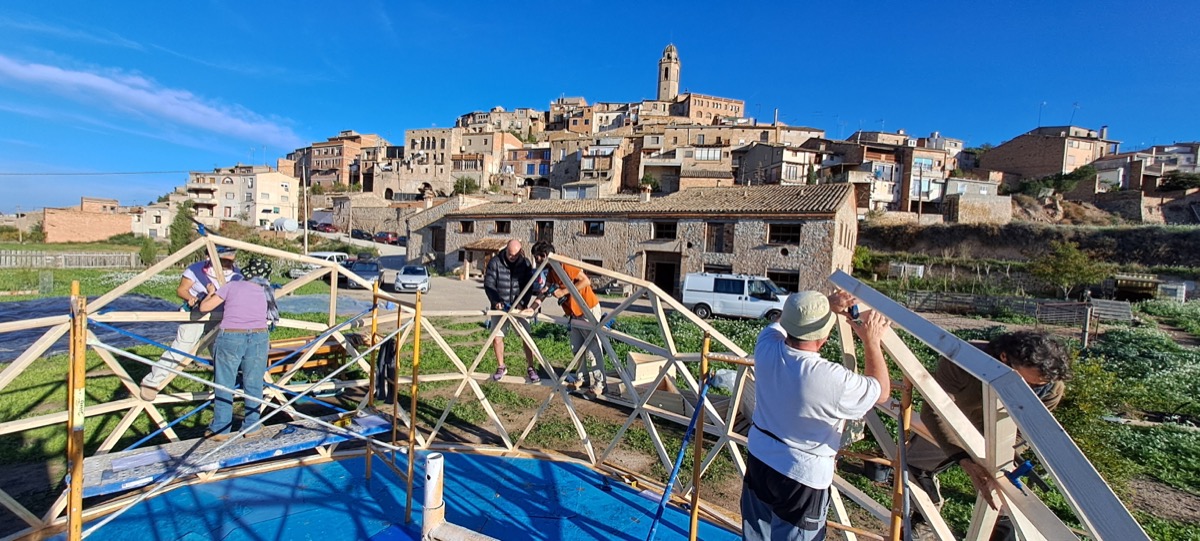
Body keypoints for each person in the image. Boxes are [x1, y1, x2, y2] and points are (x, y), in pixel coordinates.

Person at [741, 290, 891, 541]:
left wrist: (823, 305)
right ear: (825, 336)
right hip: (802, 477)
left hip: (760, 460)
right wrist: (871, 342)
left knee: (756, 535)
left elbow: (777, 325)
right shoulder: (830, 378)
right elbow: (882, 392)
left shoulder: (766, 345)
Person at [906, 331, 1071, 540]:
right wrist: (963, 459)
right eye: (1028, 382)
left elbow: (1026, 429)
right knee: (915, 465)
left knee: (1001, 495)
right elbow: (934, 411)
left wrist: (1003, 456)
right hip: (953, 423)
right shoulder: (962, 359)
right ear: (1005, 358)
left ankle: (1001, 529)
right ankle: (925, 515)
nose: (1032, 389)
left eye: (1038, 386)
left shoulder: (1051, 388)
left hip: (1000, 435)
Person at [140, 247, 241, 401]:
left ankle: (226, 386)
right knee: (181, 348)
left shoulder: (237, 274)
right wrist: (190, 298)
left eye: (230, 260)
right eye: (224, 260)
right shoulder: (195, 269)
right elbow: (182, 290)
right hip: (196, 315)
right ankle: (151, 383)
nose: (227, 263)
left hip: (220, 317)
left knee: (221, 352)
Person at [199, 256, 278, 441]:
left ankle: (221, 428)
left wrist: (211, 291)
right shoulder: (267, 291)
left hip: (232, 335)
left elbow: (204, 308)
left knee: (224, 382)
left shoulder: (232, 286)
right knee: (254, 382)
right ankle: (252, 425)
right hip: (259, 335)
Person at [529, 241, 605, 396]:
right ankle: (582, 378)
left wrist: (563, 292)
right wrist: (532, 308)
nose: (537, 262)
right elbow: (545, 290)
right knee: (576, 347)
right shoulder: (551, 270)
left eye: (537, 258)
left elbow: (585, 281)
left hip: (587, 309)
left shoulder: (564, 264)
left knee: (592, 349)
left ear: (544, 256)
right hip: (573, 313)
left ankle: (600, 384)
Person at [483, 239, 540, 383]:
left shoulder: (525, 263)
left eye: (515, 254)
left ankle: (531, 367)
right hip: (500, 307)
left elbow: (529, 286)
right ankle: (501, 366)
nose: (512, 257)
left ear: (520, 252)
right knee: (496, 337)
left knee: (527, 337)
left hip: (518, 308)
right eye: (510, 254)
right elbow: (489, 284)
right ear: (506, 250)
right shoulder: (495, 262)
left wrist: (522, 304)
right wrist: (495, 301)